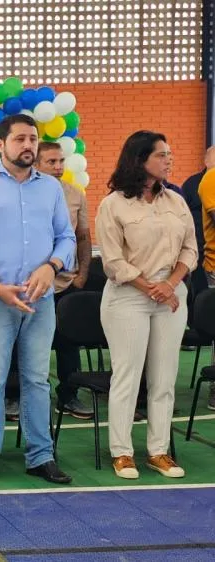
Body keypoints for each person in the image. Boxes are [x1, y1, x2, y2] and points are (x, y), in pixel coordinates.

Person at [0, 114, 76, 487]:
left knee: (38, 379)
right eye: (20, 139)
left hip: (41, 299)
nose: (28, 146)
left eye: (33, 139)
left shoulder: (52, 188)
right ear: (1, 144)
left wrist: (51, 268)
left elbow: (66, 239)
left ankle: (41, 456)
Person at [96, 131, 196, 480]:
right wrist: (149, 286)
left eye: (170, 154)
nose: (169, 160)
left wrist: (170, 285)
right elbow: (111, 260)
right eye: (161, 155)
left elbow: (190, 250)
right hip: (127, 298)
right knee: (128, 375)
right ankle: (122, 452)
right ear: (140, 160)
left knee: (164, 377)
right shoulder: (113, 204)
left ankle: (158, 450)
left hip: (170, 297)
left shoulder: (177, 201)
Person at [34, 142, 94, 420]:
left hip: (66, 283)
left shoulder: (75, 194)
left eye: (61, 161)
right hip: (32, 285)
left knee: (68, 343)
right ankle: (17, 398)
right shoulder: (25, 193)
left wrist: (82, 274)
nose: (58, 167)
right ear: (36, 164)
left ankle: (68, 396)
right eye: (51, 162)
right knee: (27, 344)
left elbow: (82, 236)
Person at [179, 146, 213, 299]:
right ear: (206, 160)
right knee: (201, 295)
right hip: (199, 249)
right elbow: (181, 217)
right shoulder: (193, 184)